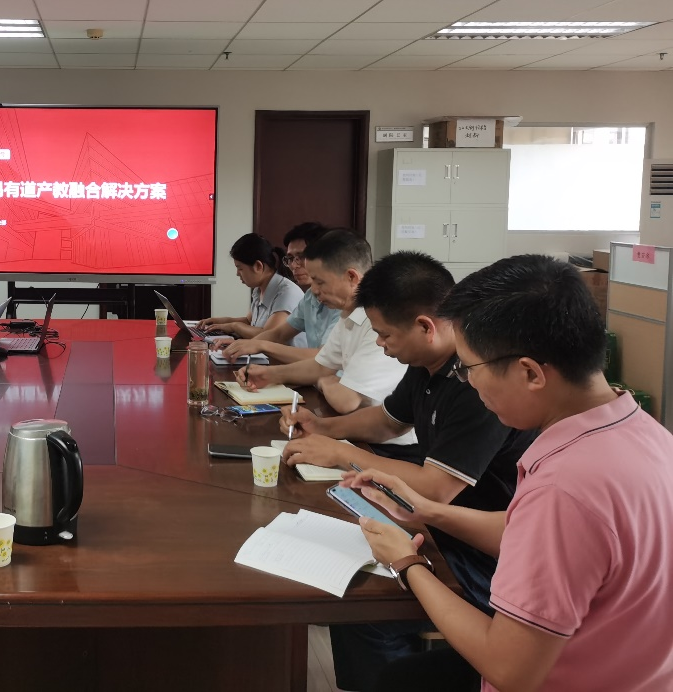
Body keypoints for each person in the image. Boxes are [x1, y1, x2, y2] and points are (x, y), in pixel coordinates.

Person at [347, 255, 673, 692]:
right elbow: (540, 533)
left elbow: (508, 670)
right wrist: (429, 511)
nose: (468, 383)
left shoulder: (565, 487)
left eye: (469, 369)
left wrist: (407, 563)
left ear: (530, 373)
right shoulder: (643, 432)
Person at [278, 251, 535, 690]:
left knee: (364, 604)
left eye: (384, 334)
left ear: (425, 326)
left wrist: (340, 454)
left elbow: (436, 488)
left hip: (480, 549)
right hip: (443, 524)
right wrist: (323, 427)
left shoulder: (477, 383)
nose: (380, 344)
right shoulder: (426, 363)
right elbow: (387, 421)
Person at [239, 230, 412, 431]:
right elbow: (321, 366)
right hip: (353, 426)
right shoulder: (348, 314)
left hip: (380, 439)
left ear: (351, 277)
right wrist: (269, 374)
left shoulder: (378, 324)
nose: (314, 290)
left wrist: (324, 381)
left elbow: (345, 400)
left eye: (320, 282)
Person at [217, 222, 339, 363]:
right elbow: (279, 333)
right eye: (291, 258)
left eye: (301, 257)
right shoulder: (309, 297)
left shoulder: (345, 304)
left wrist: (259, 345)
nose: (294, 265)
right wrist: (244, 344)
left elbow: (323, 359)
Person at [198, 233, 302, 339]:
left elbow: (269, 336)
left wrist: (234, 326)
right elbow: (249, 321)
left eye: (240, 268)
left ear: (258, 266)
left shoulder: (287, 293)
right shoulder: (259, 290)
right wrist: (219, 322)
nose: (237, 274)